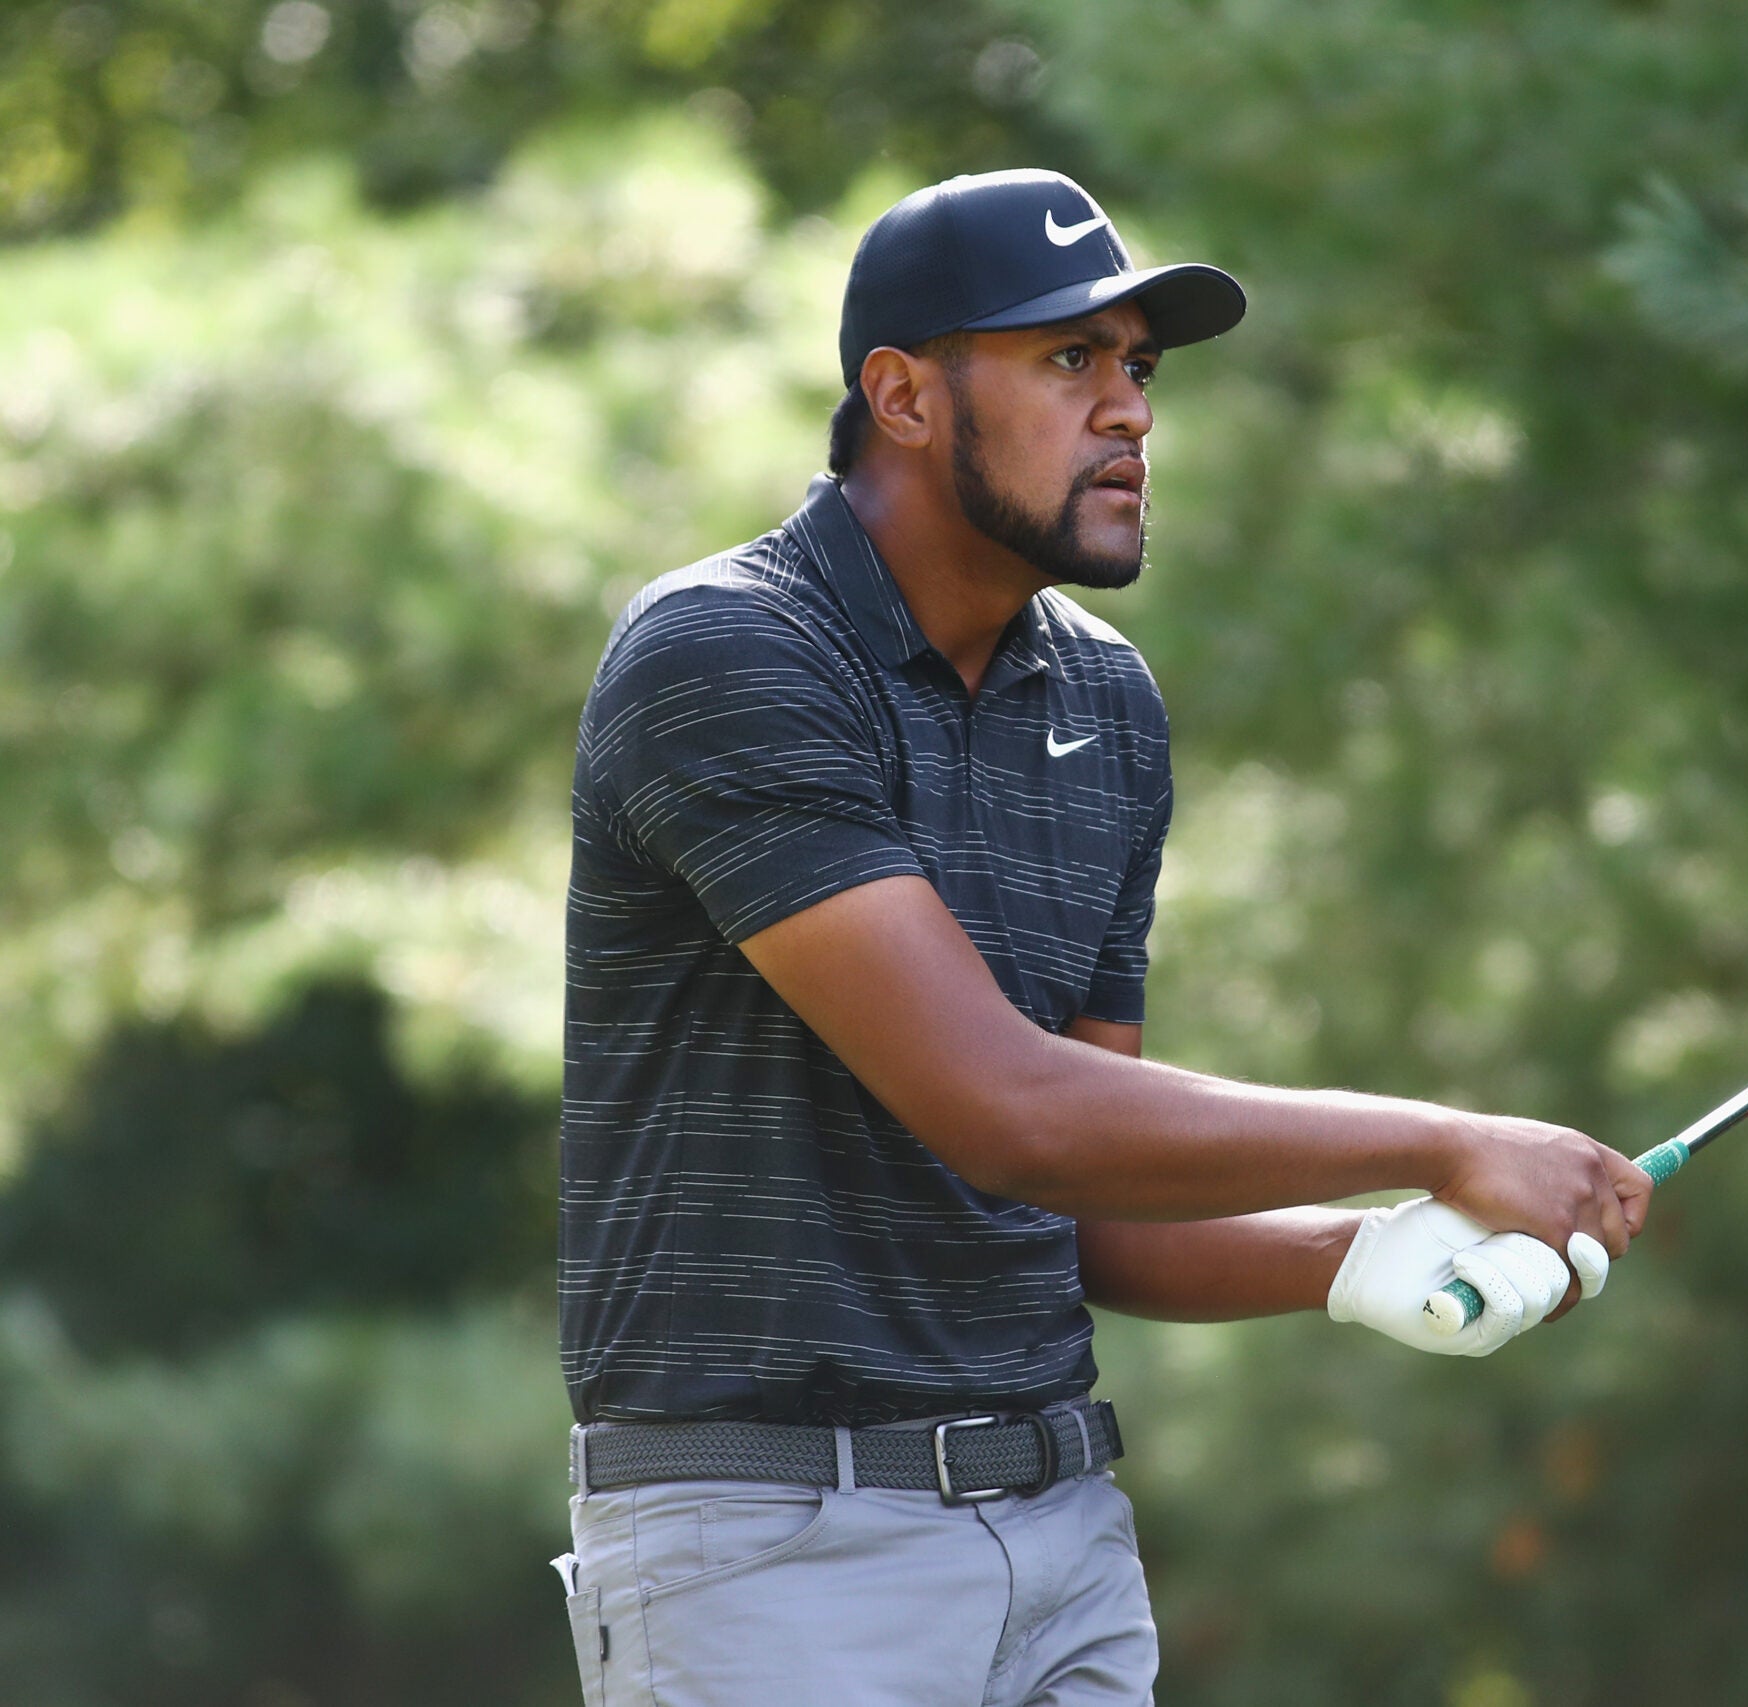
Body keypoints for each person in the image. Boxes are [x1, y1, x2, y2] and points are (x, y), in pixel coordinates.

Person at [549, 168, 1652, 1707]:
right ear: (905, 395)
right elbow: (1015, 1115)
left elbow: (1091, 1202)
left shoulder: (1106, 704)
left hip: (1064, 1540)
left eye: (1138, 366)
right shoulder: (728, 651)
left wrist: (1365, 1259)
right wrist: (1449, 1142)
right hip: (778, 1555)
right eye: (1069, 360)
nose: (1130, 411)